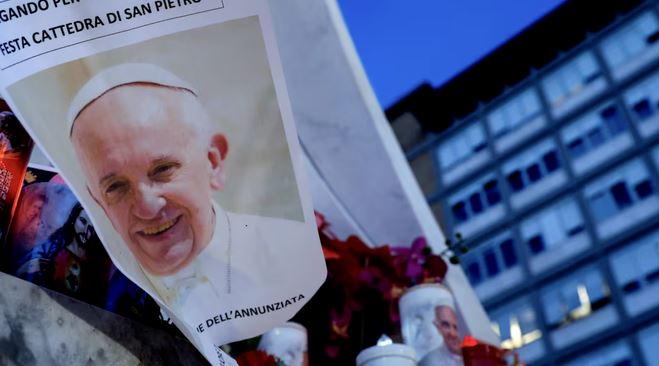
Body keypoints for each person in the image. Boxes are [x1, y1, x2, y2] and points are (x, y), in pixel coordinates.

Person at [67, 63, 314, 330]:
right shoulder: (90, 293)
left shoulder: (298, 255)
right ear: (99, 203)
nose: (147, 208)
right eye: (115, 187)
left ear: (213, 162)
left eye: (162, 170)